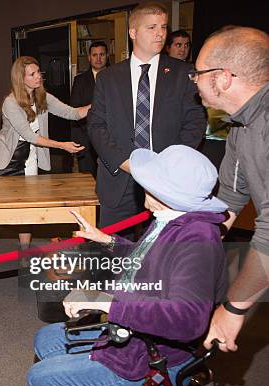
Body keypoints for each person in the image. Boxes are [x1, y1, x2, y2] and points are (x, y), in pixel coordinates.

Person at [27, 145, 228, 386]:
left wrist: (106, 303)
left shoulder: (197, 242)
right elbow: (146, 261)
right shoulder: (170, 218)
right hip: (135, 336)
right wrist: (105, 240)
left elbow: (187, 320)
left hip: (152, 360)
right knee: (45, 340)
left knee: (41, 381)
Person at [87, 2, 206, 233]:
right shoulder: (108, 78)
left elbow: (195, 123)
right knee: (112, 256)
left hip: (168, 179)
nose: (160, 33)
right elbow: (96, 126)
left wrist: (168, 165)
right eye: (151, 27)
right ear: (133, 32)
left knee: (165, 255)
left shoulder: (183, 73)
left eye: (163, 26)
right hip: (119, 177)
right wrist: (128, 164)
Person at [190, 26, 268, 353]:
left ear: (223, 78)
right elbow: (230, 199)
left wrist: (234, 307)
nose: (194, 80)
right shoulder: (240, 124)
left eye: (198, 73)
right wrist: (189, 245)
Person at [0, 56, 89, 271]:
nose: (39, 77)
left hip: (28, 159)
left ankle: (25, 254)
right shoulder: (10, 102)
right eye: (33, 74)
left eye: (39, 73)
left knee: (27, 211)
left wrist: (101, 103)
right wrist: (62, 145)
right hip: (3, 162)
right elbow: (30, 136)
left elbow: (73, 113)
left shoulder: (42, 97)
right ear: (21, 78)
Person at [70, 41, 109, 177]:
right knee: (87, 180)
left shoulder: (117, 77)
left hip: (111, 140)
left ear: (107, 56)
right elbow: (74, 110)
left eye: (102, 54)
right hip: (86, 138)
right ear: (89, 57)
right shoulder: (79, 80)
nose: (98, 58)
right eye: (94, 55)